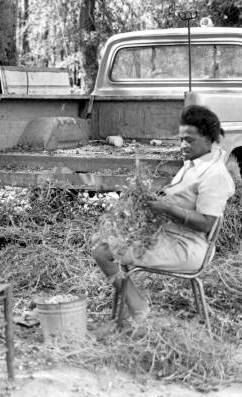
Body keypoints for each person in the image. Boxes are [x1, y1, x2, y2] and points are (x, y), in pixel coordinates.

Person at [92, 105, 235, 319]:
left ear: (209, 139)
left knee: (103, 252)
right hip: (171, 236)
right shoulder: (195, 164)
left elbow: (207, 223)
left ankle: (139, 307)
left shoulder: (215, 175)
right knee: (103, 242)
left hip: (189, 248)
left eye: (190, 140)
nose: (183, 145)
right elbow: (179, 202)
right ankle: (132, 307)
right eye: (181, 140)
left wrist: (168, 207)